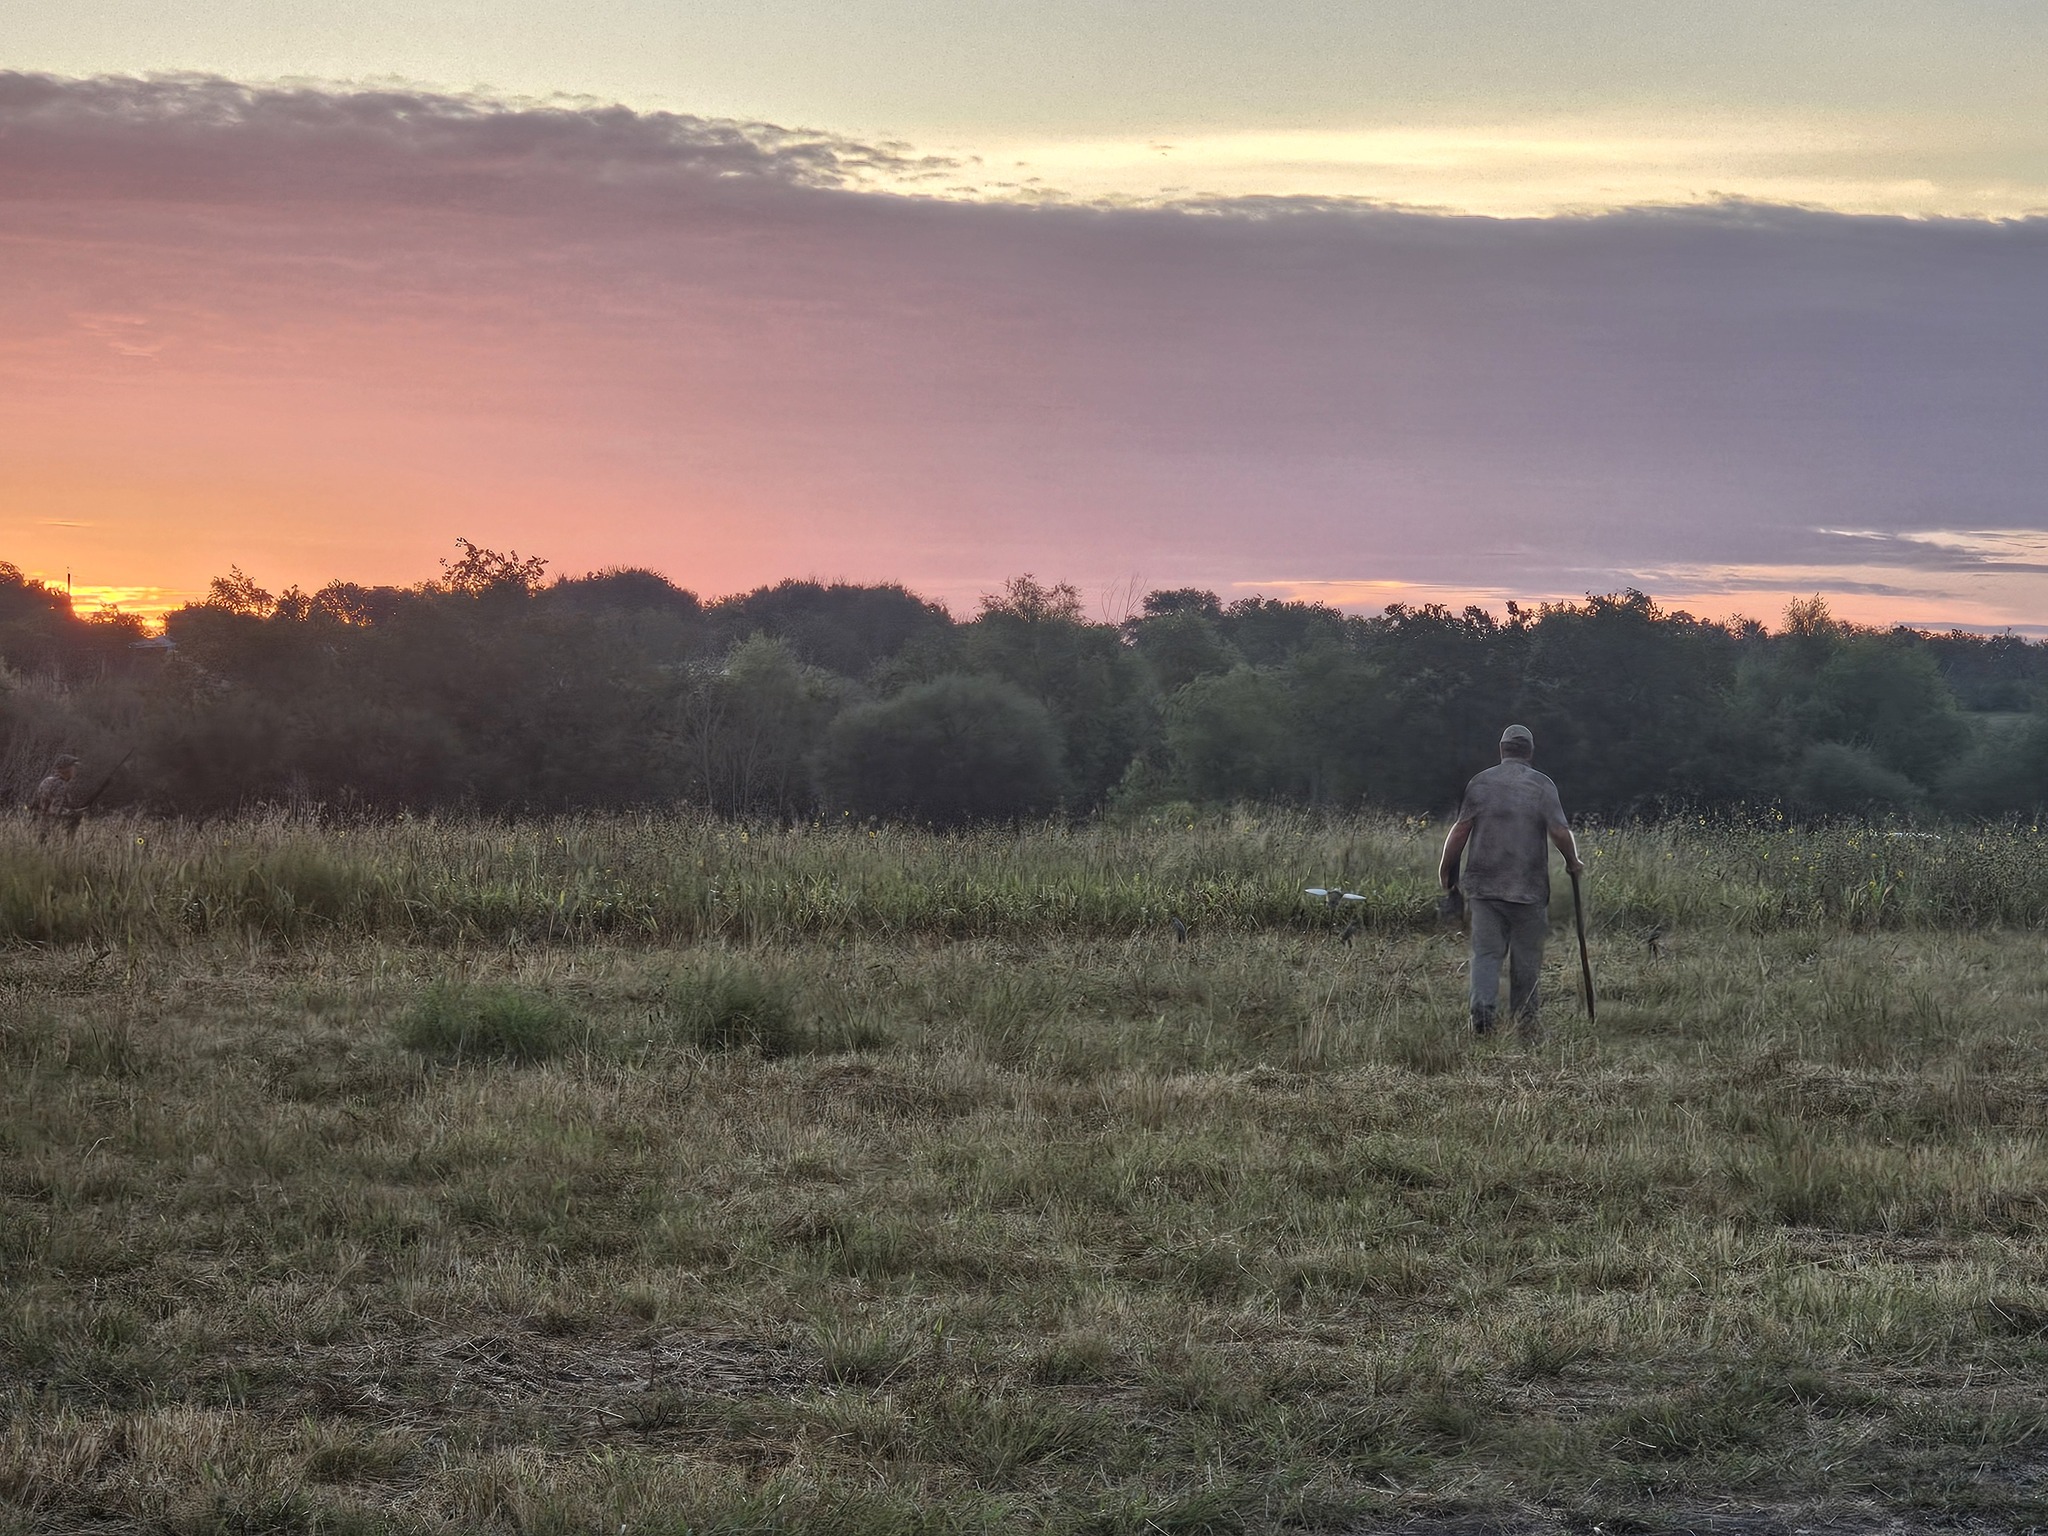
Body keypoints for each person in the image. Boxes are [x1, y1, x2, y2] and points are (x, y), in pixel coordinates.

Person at [1437, 725, 1583, 1041]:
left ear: (1501, 749)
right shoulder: (1542, 785)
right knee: (1526, 958)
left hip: (1485, 890)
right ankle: (1525, 1023)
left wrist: (1446, 873)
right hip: (1528, 890)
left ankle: (1483, 1019)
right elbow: (1559, 832)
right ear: (1529, 751)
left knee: (1486, 955)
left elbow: (1459, 831)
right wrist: (1573, 861)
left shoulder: (1481, 783)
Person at [31, 753, 82, 839]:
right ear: (66, 769)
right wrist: (74, 814)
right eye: (73, 767)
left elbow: (35, 803)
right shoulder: (61, 786)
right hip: (52, 832)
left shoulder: (46, 781)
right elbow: (54, 811)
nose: (75, 771)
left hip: (38, 825)